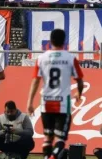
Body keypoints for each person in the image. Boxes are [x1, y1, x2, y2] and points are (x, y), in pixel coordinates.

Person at [27, 29, 84, 159]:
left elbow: (35, 81)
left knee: (47, 137)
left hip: (46, 103)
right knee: (60, 139)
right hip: (62, 104)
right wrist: (79, 93)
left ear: (50, 41)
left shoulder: (42, 58)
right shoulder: (70, 58)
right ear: (64, 41)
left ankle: (48, 157)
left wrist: (29, 102)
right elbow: (80, 81)